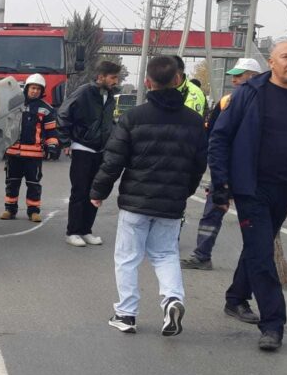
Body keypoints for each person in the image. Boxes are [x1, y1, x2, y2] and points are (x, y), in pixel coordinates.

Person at [208, 36, 287, 352]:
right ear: (271, 62)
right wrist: (221, 185)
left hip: (285, 189)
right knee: (262, 254)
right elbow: (219, 138)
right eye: (286, 56)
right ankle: (273, 324)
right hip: (251, 188)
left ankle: (235, 298)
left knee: (257, 245)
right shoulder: (249, 94)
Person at [89, 55, 208, 336]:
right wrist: (184, 192)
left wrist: (99, 191)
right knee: (165, 254)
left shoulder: (133, 117)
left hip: (135, 202)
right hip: (171, 204)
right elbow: (198, 165)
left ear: (147, 82)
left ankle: (126, 314)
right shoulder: (194, 122)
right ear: (178, 80)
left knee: (127, 257)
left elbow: (113, 160)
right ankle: (172, 299)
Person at [180, 58, 263, 273]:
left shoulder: (266, 101)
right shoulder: (228, 100)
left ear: (253, 76)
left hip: (253, 171)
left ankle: (259, 263)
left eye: (239, 75)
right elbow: (214, 135)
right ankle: (202, 255)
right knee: (213, 211)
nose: (234, 80)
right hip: (227, 167)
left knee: (255, 220)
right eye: (233, 76)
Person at [57, 60, 120, 247]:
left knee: (95, 191)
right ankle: (73, 232)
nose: (116, 81)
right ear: (101, 77)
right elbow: (63, 114)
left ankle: (86, 230)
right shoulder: (84, 92)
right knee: (80, 191)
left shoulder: (109, 96)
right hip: (82, 148)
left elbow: (108, 122)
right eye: (113, 77)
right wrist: (65, 141)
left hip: (101, 150)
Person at [1, 74, 60, 221]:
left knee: (33, 184)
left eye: (38, 89)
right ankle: (10, 210)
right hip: (13, 152)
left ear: (42, 91)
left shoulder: (46, 109)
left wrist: (52, 147)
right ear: (27, 88)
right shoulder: (14, 105)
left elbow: (51, 131)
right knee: (12, 182)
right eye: (33, 88)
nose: (35, 91)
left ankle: (33, 211)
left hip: (34, 155)